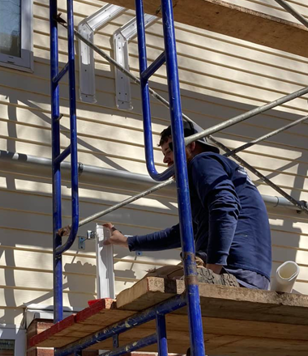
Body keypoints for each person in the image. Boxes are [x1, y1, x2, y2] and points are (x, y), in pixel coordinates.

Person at [103, 121, 272, 289]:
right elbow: (183, 233)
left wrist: (212, 270)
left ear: (191, 145)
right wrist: (129, 242)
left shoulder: (202, 161)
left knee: (151, 284)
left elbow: (224, 206)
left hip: (230, 269)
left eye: (169, 151)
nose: (165, 160)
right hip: (254, 276)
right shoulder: (219, 171)